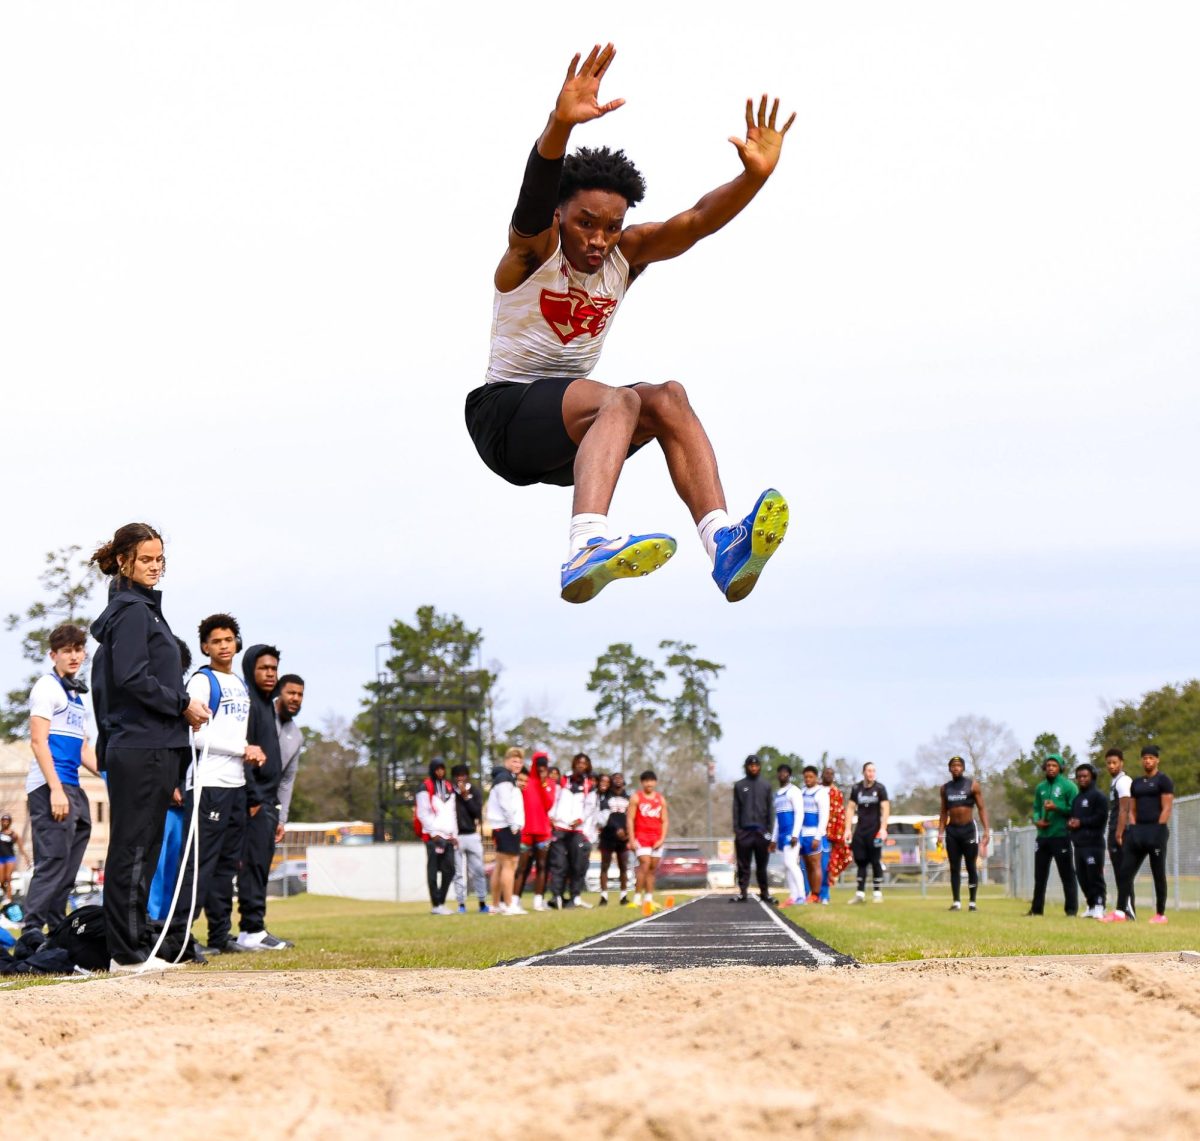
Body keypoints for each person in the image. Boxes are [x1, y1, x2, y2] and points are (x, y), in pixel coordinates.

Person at [465, 43, 795, 604]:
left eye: (611, 227)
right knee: (619, 399)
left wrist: (752, 180)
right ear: (561, 217)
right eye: (585, 223)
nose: (597, 240)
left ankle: (723, 542)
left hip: (571, 441)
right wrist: (557, 128)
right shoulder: (535, 251)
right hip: (504, 416)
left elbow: (694, 222)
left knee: (667, 397)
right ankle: (586, 545)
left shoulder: (625, 254)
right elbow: (531, 203)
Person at [89, 522, 211, 972]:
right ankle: (124, 953)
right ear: (124, 560)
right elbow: (131, 678)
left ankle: (136, 946)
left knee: (146, 848)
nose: (155, 567)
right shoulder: (133, 612)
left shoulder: (142, 611)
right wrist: (183, 704)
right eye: (146, 559)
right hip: (140, 747)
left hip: (150, 746)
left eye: (159, 559)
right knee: (133, 849)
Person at [22, 623, 97, 934]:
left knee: (69, 864)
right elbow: (38, 741)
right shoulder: (46, 687)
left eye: (79, 649)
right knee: (52, 860)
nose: (74, 655)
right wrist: (55, 790)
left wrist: (111, 776)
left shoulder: (75, 693)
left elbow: (82, 747)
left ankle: (57, 929)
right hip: (49, 785)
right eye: (67, 651)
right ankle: (31, 930)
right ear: (53, 655)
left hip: (73, 786)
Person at [236, 644, 294, 949]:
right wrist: (254, 799)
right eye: (263, 668)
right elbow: (241, 752)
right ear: (250, 669)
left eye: (273, 669)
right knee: (252, 866)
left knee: (261, 865)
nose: (270, 674)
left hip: (268, 803)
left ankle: (255, 928)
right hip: (254, 802)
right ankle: (250, 930)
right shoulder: (247, 705)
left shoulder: (265, 706)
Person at [1103, 746, 1174, 924]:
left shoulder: (1164, 780)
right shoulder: (1136, 783)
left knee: (1158, 873)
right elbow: (1131, 809)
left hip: (1156, 832)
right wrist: (1133, 826)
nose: (1147, 761)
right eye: (1145, 758)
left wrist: (1159, 828)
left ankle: (1160, 914)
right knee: (1125, 871)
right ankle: (1120, 912)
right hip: (1137, 833)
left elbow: (1167, 807)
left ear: (1157, 760)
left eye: (1151, 758)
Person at [936, 755, 990, 913]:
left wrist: (986, 830)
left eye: (959, 765)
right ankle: (956, 902)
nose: (956, 768)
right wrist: (940, 832)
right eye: (953, 766)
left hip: (968, 830)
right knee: (954, 866)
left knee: (971, 865)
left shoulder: (972, 785)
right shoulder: (945, 788)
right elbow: (943, 812)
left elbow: (981, 808)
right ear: (949, 769)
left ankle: (972, 902)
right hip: (952, 830)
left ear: (963, 768)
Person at [1027, 752, 1079, 917]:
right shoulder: (1040, 787)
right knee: (1040, 875)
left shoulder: (1069, 786)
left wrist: (1056, 808)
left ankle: (1071, 910)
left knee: (1067, 874)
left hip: (1060, 835)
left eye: (1054, 765)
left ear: (1061, 768)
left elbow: (1074, 810)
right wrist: (1037, 821)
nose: (1050, 768)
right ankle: (1036, 909)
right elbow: (1036, 808)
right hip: (1043, 836)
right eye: (1048, 765)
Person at [547, 752, 597, 908]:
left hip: (577, 830)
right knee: (559, 864)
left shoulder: (589, 785)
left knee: (577, 864)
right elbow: (554, 799)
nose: (581, 765)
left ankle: (575, 896)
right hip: (559, 828)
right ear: (574, 764)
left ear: (588, 766)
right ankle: (557, 897)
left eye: (584, 763)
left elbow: (590, 806)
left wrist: (580, 820)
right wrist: (551, 818)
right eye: (579, 762)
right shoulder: (563, 780)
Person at [416, 758, 459, 915]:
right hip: (433, 837)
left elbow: (452, 812)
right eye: (437, 769)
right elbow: (422, 812)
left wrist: (454, 834)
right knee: (433, 870)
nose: (440, 772)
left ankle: (441, 901)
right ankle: (436, 904)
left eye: (442, 769)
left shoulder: (448, 787)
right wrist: (432, 834)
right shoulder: (425, 787)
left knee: (450, 870)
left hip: (448, 836)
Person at [484, 752, 526, 916]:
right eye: (514, 761)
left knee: (500, 866)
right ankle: (508, 904)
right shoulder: (504, 778)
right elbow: (505, 803)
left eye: (520, 762)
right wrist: (513, 823)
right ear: (506, 761)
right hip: (506, 827)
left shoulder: (507, 778)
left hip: (503, 826)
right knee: (510, 865)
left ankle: (496, 904)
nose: (517, 764)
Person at [515, 751, 556, 909]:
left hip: (543, 831)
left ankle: (538, 901)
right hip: (526, 830)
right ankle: (515, 900)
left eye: (544, 766)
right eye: (538, 766)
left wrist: (544, 783)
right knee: (522, 867)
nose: (541, 769)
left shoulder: (549, 784)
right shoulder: (526, 781)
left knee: (542, 865)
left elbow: (549, 805)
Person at [1067, 763, 1108, 919]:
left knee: (1094, 876)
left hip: (1094, 844)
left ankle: (1099, 905)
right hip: (1079, 845)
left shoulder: (1099, 797)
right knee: (1082, 877)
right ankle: (1091, 905)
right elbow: (1073, 817)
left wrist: (1081, 822)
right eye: (1079, 777)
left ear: (1092, 777)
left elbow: (1100, 818)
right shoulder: (1077, 799)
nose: (1082, 779)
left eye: (1085, 776)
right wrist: (1071, 823)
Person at [731, 754, 774, 903]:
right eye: (751, 765)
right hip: (745, 832)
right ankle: (743, 892)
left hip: (762, 832)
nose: (754, 768)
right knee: (743, 865)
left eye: (756, 765)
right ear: (747, 767)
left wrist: (769, 831)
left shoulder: (766, 785)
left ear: (759, 766)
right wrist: (737, 830)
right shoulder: (739, 785)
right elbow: (736, 809)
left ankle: (765, 893)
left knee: (762, 865)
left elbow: (770, 810)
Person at [845, 763, 890, 904]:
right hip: (860, 831)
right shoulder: (856, 788)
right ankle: (860, 893)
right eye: (869, 771)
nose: (871, 773)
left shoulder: (880, 788)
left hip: (875, 831)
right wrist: (847, 829)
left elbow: (885, 808)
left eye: (873, 771)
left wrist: (883, 828)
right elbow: (850, 808)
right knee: (861, 861)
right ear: (863, 772)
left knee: (875, 861)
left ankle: (877, 893)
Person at [627, 770, 669, 912]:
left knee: (652, 869)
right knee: (644, 864)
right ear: (642, 782)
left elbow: (665, 820)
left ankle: (649, 899)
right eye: (646, 781)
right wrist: (632, 839)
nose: (649, 783)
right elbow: (630, 819)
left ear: (655, 782)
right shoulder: (636, 798)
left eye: (651, 780)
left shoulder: (660, 799)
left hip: (656, 838)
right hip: (641, 837)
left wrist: (662, 839)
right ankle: (637, 898)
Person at [451, 763, 489, 914]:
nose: (460, 778)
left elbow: (477, 813)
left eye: (463, 775)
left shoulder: (474, 791)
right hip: (456, 836)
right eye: (457, 775)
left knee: (478, 870)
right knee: (458, 873)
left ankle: (482, 902)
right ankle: (461, 904)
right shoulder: (450, 793)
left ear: (467, 776)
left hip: (472, 835)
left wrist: (466, 797)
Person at [274, 673, 305, 839]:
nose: (296, 698)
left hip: (268, 808)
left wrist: (281, 820)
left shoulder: (297, 736)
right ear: (278, 693)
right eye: (291, 693)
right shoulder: (260, 715)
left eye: (300, 694)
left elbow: (286, 781)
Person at [769, 764, 805, 905]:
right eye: (780, 772)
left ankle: (801, 896)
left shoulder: (794, 791)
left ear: (789, 775)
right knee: (786, 865)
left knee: (791, 863)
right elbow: (777, 818)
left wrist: (795, 834)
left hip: (792, 833)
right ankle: (793, 896)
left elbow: (799, 813)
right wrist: (773, 838)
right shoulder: (778, 794)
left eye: (785, 773)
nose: (782, 775)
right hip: (782, 834)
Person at [1104, 747, 1133, 915]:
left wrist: (1119, 833)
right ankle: (1125, 911)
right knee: (1119, 873)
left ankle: (1127, 911)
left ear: (1121, 763)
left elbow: (1125, 809)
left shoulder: (1123, 781)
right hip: (1114, 828)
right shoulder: (1114, 782)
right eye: (1108, 763)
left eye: (1115, 762)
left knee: (1123, 873)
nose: (1111, 766)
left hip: (1121, 832)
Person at [597, 771, 631, 906]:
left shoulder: (628, 798)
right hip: (608, 836)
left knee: (623, 866)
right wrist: (616, 829)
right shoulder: (605, 798)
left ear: (623, 781)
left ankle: (624, 895)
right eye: (614, 778)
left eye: (620, 778)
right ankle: (603, 896)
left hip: (624, 838)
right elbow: (606, 816)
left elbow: (631, 816)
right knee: (604, 865)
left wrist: (628, 832)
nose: (617, 780)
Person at [796, 766, 829, 905]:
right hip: (802, 834)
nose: (808, 780)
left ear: (816, 778)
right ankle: (809, 893)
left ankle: (817, 894)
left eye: (811, 777)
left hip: (814, 833)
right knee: (806, 865)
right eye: (806, 777)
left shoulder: (821, 793)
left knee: (816, 865)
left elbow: (824, 816)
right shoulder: (802, 792)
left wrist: (818, 836)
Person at [820, 766, 850, 904]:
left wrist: (840, 833)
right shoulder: (816, 790)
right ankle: (812, 893)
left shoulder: (836, 792)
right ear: (822, 774)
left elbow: (839, 814)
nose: (829, 776)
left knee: (827, 865)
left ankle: (825, 894)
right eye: (826, 773)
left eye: (831, 774)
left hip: (831, 835)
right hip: (815, 833)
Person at [0, 815, 30, 906]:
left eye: (7, 821)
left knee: (8, 878)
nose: (5, 822)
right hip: (1, 858)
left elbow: (21, 847)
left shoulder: (14, 834)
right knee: (1, 880)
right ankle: (5, 894)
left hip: (10, 858)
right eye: (3, 821)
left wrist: (26, 858)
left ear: (10, 822)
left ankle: (9, 899)